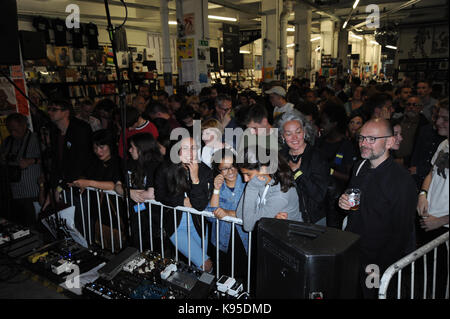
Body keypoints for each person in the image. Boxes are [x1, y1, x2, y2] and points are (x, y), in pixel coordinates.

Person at [338, 118, 417, 299]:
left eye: (372, 139)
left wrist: (379, 268)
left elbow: (401, 234)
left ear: (389, 142)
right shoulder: (360, 166)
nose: (364, 143)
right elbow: (354, 205)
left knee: (373, 295)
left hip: (377, 261)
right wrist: (344, 205)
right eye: (361, 138)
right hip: (354, 250)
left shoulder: (402, 181)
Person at [154, 136, 214, 271]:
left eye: (193, 148)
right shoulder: (165, 168)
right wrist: (181, 201)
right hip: (176, 226)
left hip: (199, 226)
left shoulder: (204, 170)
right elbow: (159, 195)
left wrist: (195, 178)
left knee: (198, 266)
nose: (191, 153)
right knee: (206, 264)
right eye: (185, 148)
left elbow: (199, 205)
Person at [68, 129, 123, 249]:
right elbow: (86, 174)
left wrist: (89, 183)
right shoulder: (94, 161)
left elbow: (113, 185)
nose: (98, 151)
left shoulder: (118, 162)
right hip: (97, 210)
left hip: (115, 210)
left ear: (110, 145)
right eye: (95, 148)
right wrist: (82, 182)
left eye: (102, 147)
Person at [416, 101, 448, 298]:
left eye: (445, 119)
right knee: (428, 279)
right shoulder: (444, 144)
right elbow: (431, 173)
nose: (438, 122)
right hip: (429, 221)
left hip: (443, 228)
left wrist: (442, 221)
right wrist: (423, 194)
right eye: (438, 117)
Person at [277, 110, 329, 225]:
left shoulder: (317, 156)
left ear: (304, 132)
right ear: (283, 136)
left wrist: (297, 172)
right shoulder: (280, 156)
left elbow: (319, 195)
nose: (294, 138)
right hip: (286, 216)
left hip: (312, 219)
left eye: (298, 132)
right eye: (289, 134)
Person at [114, 132, 164, 248]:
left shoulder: (155, 165)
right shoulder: (129, 163)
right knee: (135, 243)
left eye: (132, 147)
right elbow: (116, 186)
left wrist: (128, 192)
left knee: (151, 246)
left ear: (142, 149)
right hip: (134, 214)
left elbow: (151, 194)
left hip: (152, 216)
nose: (129, 150)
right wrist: (129, 192)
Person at [236, 147, 302, 233]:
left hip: (290, 240)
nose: (245, 180)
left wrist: (251, 188)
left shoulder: (281, 194)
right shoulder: (258, 182)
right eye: (243, 174)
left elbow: (248, 226)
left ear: (264, 169)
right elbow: (240, 214)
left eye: (248, 174)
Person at [206, 149, 248, 278]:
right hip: (222, 238)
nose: (230, 172)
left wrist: (228, 213)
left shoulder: (247, 181)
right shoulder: (217, 185)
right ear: (218, 170)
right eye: (224, 168)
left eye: (233, 166)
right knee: (225, 275)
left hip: (245, 236)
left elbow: (253, 212)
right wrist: (216, 190)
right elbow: (211, 216)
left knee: (246, 274)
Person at [0, 113, 41, 227]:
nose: (12, 133)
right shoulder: (7, 141)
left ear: (23, 125)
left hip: (33, 190)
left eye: (15, 129)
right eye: (9, 129)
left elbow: (50, 159)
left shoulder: (37, 138)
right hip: (14, 192)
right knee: (21, 225)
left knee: (35, 224)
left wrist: (32, 161)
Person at [394, 95, 429, 167]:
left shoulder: (425, 125)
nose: (411, 107)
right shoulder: (397, 122)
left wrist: (405, 161)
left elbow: (423, 150)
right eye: (408, 104)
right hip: (393, 161)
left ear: (421, 107)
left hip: (411, 165)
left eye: (415, 105)